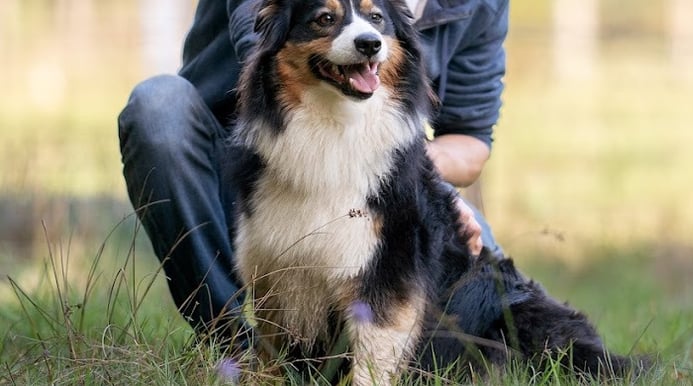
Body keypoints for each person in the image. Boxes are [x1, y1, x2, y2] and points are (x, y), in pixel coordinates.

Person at [118, 0, 508, 352]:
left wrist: (421, 185)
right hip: (246, 170)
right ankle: (237, 350)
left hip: (372, 176)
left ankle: (353, 359)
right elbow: (262, 44)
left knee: (495, 293)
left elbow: (469, 140)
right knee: (159, 108)